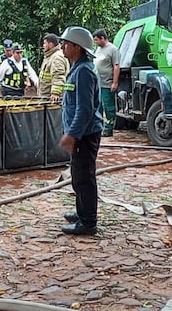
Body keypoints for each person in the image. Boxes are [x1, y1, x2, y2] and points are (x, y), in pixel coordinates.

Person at [58, 26, 103, 235]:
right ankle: (82, 212)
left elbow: (85, 109)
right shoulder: (78, 68)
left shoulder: (84, 71)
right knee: (78, 175)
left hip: (84, 135)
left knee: (84, 177)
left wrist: (72, 134)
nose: (62, 46)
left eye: (66, 43)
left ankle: (88, 222)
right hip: (82, 133)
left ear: (77, 47)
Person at [92, 29, 120, 137]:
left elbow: (116, 66)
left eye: (96, 40)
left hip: (107, 83)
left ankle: (109, 128)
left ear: (103, 38)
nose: (95, 42)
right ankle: (99, 127)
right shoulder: (98, 49)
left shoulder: (113, 49)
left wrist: (115, 82)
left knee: (108, 106)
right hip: (98, 83)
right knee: (98, 106)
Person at [37, 33, 69, 101]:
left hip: (51, 99)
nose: (43, 46)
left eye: (45, 43)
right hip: (46, 96)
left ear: (50, 44)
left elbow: (58, 76)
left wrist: (55, 93)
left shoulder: (57, 57)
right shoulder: (50, 56)